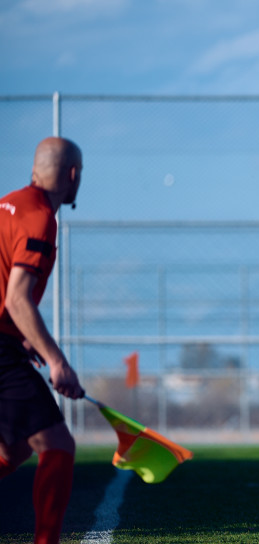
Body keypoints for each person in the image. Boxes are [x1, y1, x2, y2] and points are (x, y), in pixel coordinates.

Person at [0, 137, 86, 543]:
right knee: (57, 446)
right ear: (73, 175)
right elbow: (16, 297)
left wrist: (23, 337)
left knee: (14, 449)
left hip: (6, 342)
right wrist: (57, 360)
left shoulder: (7, 205)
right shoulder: (39, 218)